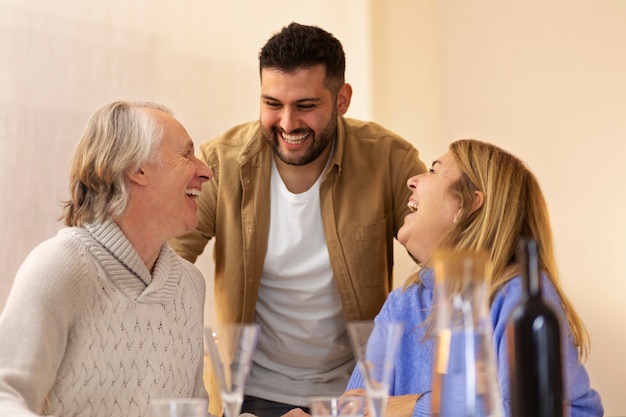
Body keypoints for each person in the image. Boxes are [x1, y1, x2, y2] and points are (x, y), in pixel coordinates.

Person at [168, 22, 427, 416]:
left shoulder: (388, 159)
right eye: (272, 104)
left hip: (354, 394)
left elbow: (446, 256)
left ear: (342, 100)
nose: (288, 124)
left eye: (305, 106)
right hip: (251, 394)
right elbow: (163, 257)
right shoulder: (221, 161)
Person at [338, 139, 604, 417]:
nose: (412, 181)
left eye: (433, 170)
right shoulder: (402, 303)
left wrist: (413, 407)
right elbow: (357, 407)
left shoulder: (519, 298)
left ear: (465, 206)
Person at [0, 101, 213, 417]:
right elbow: (6, 395)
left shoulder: (190, 285)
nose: (206, 171)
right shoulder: (59, 267)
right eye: (186, 154)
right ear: (136, 168)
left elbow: (191, 413)